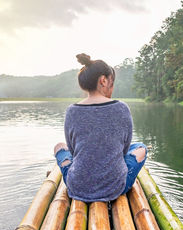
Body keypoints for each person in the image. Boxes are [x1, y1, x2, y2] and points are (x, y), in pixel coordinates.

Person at [53, 53, 147, 202]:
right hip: (114, 188)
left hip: (77, 188)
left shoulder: (72, 110)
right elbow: (124, 149)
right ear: (103, 81)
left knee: (59, 147)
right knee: (141, 147)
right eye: (112, 82)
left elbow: (72, 150)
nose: (112, 87)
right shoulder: (122, 108)